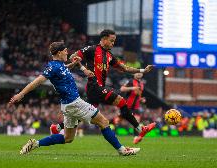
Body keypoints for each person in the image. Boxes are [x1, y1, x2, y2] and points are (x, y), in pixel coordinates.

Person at [9, 42, 140, 156]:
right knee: (104, 122)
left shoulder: (59, 65)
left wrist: (74, 64)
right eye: (65, 51)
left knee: (68, 138)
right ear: (59, 53)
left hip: (68, 105)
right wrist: (21, 94)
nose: (67, 53)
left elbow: (64, 69)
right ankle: (122, 150)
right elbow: (37, 81)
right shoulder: (53, 67)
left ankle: (35, 144)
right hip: (74, 103)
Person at [50, 29, 156, 144]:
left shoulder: (109, 55)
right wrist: (82, 67)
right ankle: (140, 129)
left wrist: (143, 70)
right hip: (94, 87)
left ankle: (57, 128)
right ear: (104, 39)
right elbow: (73, 57)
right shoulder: (92, 49)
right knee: (121, 101)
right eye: (111, 41)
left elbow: (125, 68)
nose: (113, 43)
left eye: (114, 41)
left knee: (81, 114)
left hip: (98, 89)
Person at [120, 73, 147, 143]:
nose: (139, 74)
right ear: (134, 74)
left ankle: (136, 137)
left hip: (136, 107)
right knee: (119, 121)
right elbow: (122, 89)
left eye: (140, 73)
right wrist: (132, 88)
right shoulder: (130, 81)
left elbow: (138, 96)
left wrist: (141, 99)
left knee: (137, 120)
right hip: (127, 105)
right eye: (137, 72)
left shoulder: (141, 84)